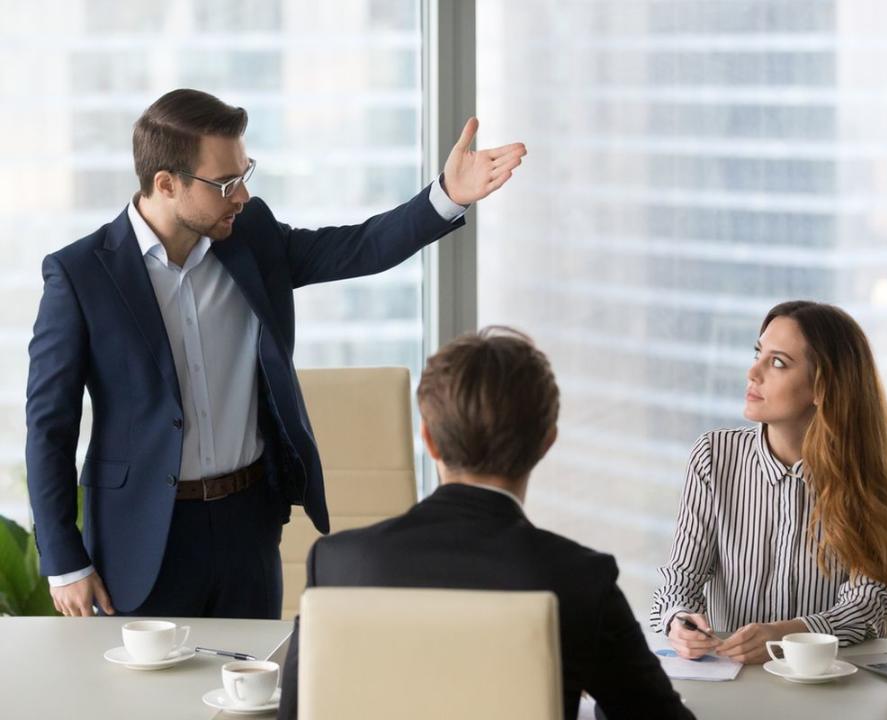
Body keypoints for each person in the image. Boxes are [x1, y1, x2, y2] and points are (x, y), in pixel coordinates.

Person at [25, 88, 526, 619]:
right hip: (141, 535)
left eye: (245, 174)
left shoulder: (251, 237)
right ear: (165, 184)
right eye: (225, 183)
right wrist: (64, 561)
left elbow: (360, 246)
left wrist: (449, 193)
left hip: (247, 523)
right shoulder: (80, 275)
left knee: (253, 692)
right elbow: (49, 426)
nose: (240, 195)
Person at [277, 327, 693, 720]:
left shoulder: (336, 563)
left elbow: (296, 712)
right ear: (547, 442)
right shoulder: (580, 579)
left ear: (428, 439)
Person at [650, 300, 887, 664]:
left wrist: (786, 635)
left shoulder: (868, 472)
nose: (753, 372)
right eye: (758, 353)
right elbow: (681, 577)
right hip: (735, 682)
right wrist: (679, 621)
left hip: (831, 684)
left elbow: (865, 607)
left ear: (822, 387)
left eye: (778, 363)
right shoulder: (713, 456)